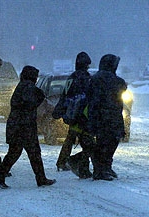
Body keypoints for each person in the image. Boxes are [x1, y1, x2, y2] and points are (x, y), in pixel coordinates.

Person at [0, 65, 56, 188]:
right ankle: (41, 179)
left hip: (18, 125)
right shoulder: (28, 87)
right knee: (33, 153)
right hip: (24, 126)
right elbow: (30, 103)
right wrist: (40, 96)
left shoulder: (22, 86)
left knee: (15, 153)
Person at [52, 51, 94, 179]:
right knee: (88, 143)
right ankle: (81, 166)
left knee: (71, 139)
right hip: (83, 116)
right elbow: (88, 98)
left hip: (72, 115)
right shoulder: (87, 78)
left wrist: (60, 110)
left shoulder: (71, 78)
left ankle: (63, 162)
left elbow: (65, 95)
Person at [87, 54, 127, 181]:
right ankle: (104, 168)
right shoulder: (115, 80)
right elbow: (122, 88)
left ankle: (102, 168)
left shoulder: (94, 79)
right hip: (112, 116)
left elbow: (90, 98)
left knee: (102, 143)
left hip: (99, 116)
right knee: (111, 143)